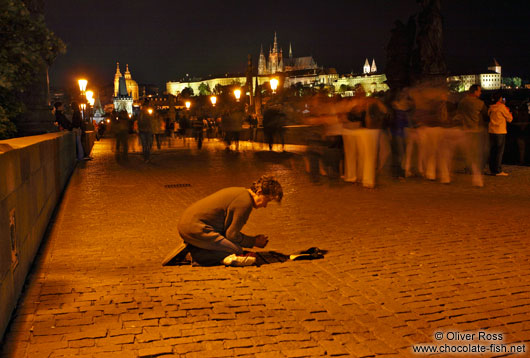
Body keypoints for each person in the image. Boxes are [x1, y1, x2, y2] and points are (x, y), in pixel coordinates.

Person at [162, 175, 283, 267]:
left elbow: (227, 232)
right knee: (236, 249)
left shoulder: (240, 192)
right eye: (267, 200)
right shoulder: (245, 203)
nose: (265, 205)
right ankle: (196, 255)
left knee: (231, 246)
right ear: (259, 192)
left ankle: (196, 245)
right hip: (196, 228)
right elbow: (232, 235)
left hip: (188, 225)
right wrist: (254, 241)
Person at [454, 84, 488, 187]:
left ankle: (468, 168)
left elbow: (458, 114)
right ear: (475, 92)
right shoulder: (479, 103)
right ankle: (477, 175)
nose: (481, 93)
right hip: (475, 130)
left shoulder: (462, 102)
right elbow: (486, 115)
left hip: (464, 130)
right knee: (477, 154)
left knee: (468, 153)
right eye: (479, 91)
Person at [488, 93, 513, 176]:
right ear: (499, 99)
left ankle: (492, 169)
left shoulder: (491, 107)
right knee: (499, 152)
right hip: (500, 131)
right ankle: (498, 170)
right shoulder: (502, 107)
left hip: (491, 131)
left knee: (493, 151)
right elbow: (510, 118)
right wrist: (508, 110)